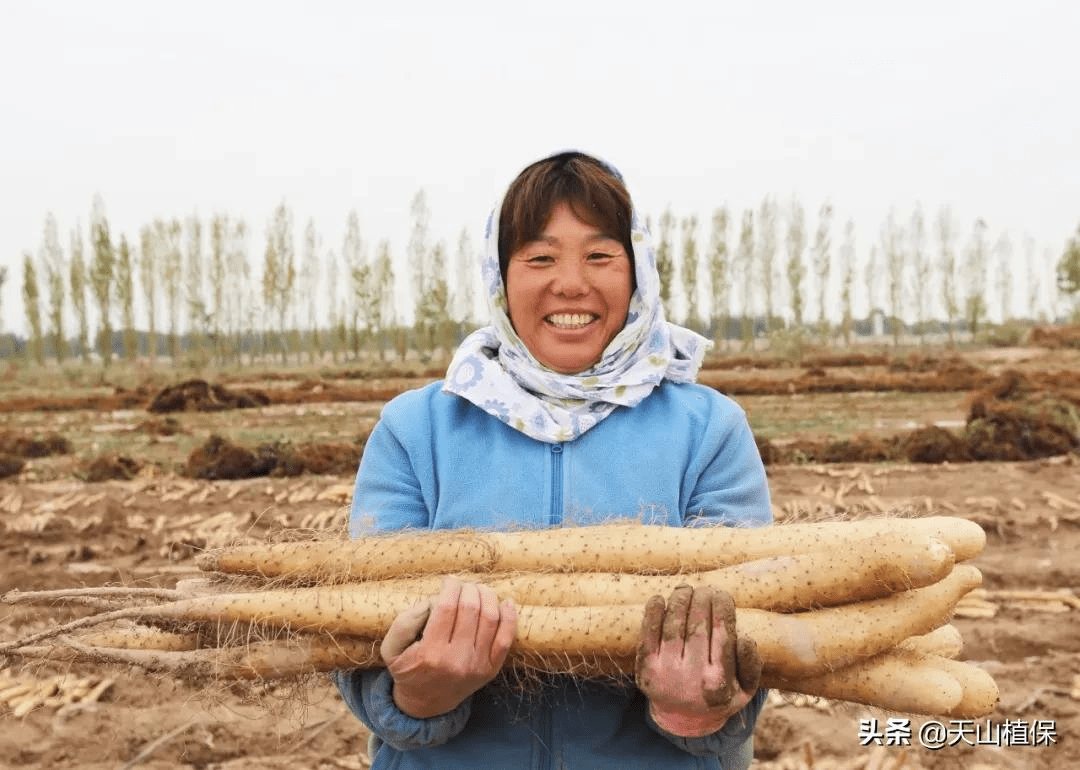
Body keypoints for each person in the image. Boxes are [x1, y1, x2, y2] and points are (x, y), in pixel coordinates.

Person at [333, 150, 773, 769]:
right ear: (500, 276)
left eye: (599, 256)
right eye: (540, 258)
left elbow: (758, 634)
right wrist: (418, 695)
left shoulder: (709, 430)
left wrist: (698, 709)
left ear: (638, 271)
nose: (570, 283)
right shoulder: (417, 428)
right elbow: (355, 633)